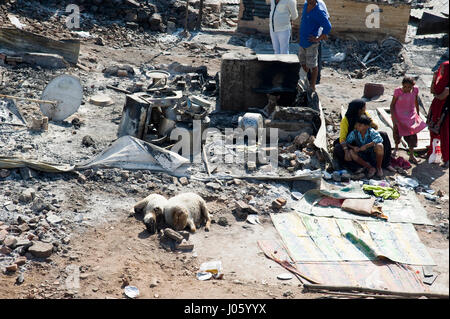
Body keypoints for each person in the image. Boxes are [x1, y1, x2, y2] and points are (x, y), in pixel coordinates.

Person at [333, 99, 393, 173]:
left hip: (366, 139)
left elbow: (375, 127)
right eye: (364, 107)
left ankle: (386, 163)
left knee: (383, 135)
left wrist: (369, 123)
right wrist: (346, 150)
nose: (365, 109)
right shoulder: (346, 120)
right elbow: (342, 139)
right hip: (353, 142)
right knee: (338, 148)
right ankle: (357, 167)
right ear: (359, 110)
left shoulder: (365, 114)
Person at [390, 77, 427, 164]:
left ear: (412, 86)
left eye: (409, 87)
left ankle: (411, 154)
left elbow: (416, 102)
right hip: (399, 115)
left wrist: (417, 114)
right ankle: (396, 148)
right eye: (405, 87)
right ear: (402, 85)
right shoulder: (398, 91)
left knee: (412, 134)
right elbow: (392, 105)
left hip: (410, 115)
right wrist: (394, 118)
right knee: (397, 133)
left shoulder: (415, 90)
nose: (407, 89)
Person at [298, 0, 331, 91]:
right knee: (303, 63)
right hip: (302, 41)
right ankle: (304, 83)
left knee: (313, 65)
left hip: (311, 44)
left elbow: (328, 26)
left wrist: (318, 38)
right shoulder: (305, 5)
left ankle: (312, 85)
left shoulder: (319, 11)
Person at [427, 60, 449, 167]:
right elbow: (433, 91)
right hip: (437, 110)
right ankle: (432, 152)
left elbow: (440, 96)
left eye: (444, 69)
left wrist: (436, 94)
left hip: (445, 112)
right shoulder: (442, 81)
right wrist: (434, 78)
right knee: (433, 132)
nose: (442, 71)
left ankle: (447, 158)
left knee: (445, 134)